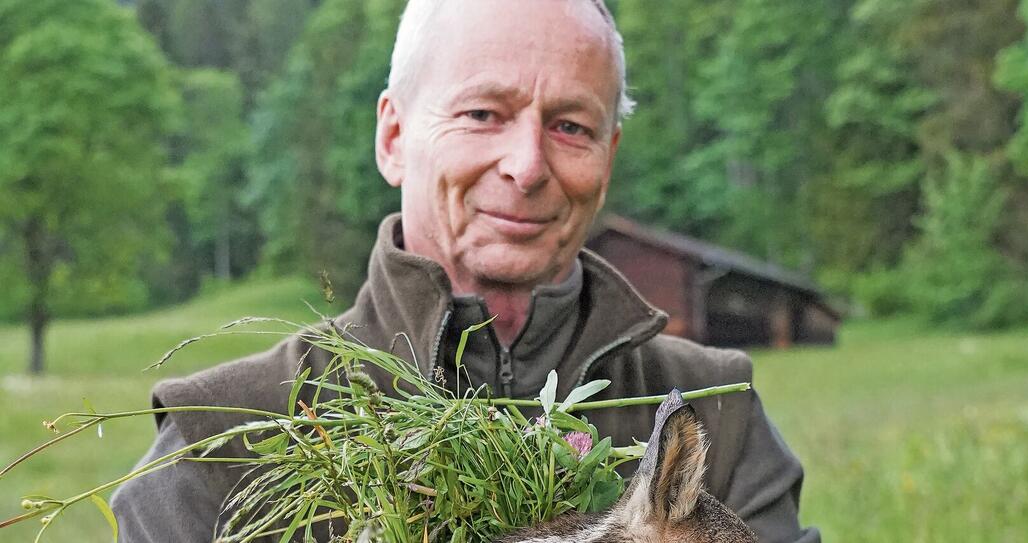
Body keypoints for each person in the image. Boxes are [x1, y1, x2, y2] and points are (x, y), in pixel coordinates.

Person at [111, 1, 820, 541]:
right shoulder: (222, 439)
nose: (527, 165)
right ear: (393, 137)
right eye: (483, 113)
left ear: (607, 158)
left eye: (571, 126)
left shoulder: (718, 413)